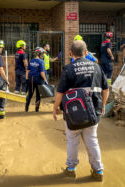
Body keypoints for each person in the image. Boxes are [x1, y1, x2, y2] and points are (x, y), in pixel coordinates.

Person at [53, 40, 109, 181]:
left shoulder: (68, 69)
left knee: (72, 140)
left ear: (71, 53)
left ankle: (71, 169)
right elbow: (106, 89)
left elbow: (60, 92)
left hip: (73, 114)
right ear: (86, 52)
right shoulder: (97, 67)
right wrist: (103, 105)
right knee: (92, 140)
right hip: (93, 112)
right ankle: (98, 171)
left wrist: (55, 108)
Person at [25, 47, 48, 112]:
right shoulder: (41, 62)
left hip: (31, 79)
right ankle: (36, 109)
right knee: (38, 95)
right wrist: (45, 80)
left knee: (30, 94)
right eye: (42, 53)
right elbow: (42, 72)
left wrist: (26, 78)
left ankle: (26, 108)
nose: (43, 55)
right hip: (39, 80)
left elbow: (27, 70)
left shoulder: (31, 60)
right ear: (40, 53)